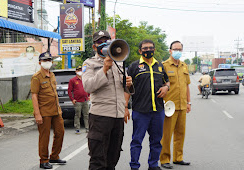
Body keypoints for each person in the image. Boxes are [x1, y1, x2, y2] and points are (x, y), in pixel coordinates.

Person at [81, 30, 134, 170]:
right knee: (98, 160)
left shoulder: (119, 62)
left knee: (113, 157)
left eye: (107, 40)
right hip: (100, 117)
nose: (103, 43)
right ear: (94, 46)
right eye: (99, 41)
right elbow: (88, 86)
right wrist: (104, 68)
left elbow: (125, 89)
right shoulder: (89, 63)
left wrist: (129, 84)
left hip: (117, 117)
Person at [126, 39, 170, 170]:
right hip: (140, 111)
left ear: (154, 50)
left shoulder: (160, 66)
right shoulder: (134, 67)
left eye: (150, 48)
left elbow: (167, 82)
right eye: (145, 48)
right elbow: (127, 88)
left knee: (156, 141)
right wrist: (124, 107)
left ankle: (153, 165)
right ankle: (134, 166)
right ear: (140, 51)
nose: (148, 50)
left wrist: (166, 87)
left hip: (158, 111)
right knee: (137, 141)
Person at [31, 52, 66, 169]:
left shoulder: (52, 75)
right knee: (44, 136)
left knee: (60, 132)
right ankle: (44, 160)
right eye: (45, 60)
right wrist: (37, 114)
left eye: (49, 60)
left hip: (56, 111)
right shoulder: (36, 77)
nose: (48, 62)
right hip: (44, 112)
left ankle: (54, 156)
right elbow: (34, 95)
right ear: (40, 62)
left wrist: (59, 109)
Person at [160, 41, 191, 169]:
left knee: (180, 133)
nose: (177, 51)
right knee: (166, 134)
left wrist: (189, 102)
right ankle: (165, 159)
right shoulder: (164, 66)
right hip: (169, 106)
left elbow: (187, 85)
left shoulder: (184, 66)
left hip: (182, 105)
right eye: (175, 49)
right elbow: (160, 86)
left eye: (180, 49)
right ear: (170, 50)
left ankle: (178, 158)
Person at [68, 65, 90, 134]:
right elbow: (69, 91)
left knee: (86, 114)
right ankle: (77, 128)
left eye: (81, 70)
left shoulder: (84, 79)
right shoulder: (73, 80)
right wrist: (72, 99)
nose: (80, 72)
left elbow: (88, 87)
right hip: (77, 101)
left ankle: (87, 128)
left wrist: (89, 95)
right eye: (78, 70)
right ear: (76, 71)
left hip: (85, 100)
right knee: (78, 115)